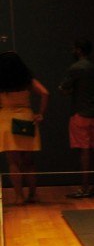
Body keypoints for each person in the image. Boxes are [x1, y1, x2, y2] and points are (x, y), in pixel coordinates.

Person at [0, 51, 49, 205]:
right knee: (29, 162)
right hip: (26, 119)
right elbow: (45, 93)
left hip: (7, 120)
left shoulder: (1, 81)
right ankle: (33, 195)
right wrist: (40, 114)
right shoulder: (27, 79)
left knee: (13, 162)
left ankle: (19, 197)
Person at [59, 38, 94, 198]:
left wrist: (66, 90)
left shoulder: (75, 68)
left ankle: (84, 188)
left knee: (84, 151)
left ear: (78, 50)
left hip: (80, 113)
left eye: (74, 48)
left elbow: (64, 88)